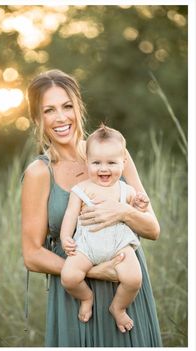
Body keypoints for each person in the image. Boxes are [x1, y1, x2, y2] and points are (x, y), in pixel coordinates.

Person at [21, 69, 162, 347]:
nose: (61, 118)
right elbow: (32, 255)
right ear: (37, 118)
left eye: (67, 106)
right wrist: (94, 271)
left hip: (127, 282)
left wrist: (123, 212)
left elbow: (153, 229)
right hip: (76, 292)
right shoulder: (39, 172)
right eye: (49, 110)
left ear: (79, 107)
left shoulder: (113, 152)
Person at [60, 125, 148, 333]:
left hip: (119, 246)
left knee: (134, 279)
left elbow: (135, 214)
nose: (103, 169)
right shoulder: (82, 189)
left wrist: (140, 206)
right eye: (96, 162)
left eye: (111, 163)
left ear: (123, 163)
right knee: (69, 276)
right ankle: (86, 297)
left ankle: (118, 307)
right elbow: (71, 215)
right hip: (87, 246)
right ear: (87, 162)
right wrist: (65, 237)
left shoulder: (126, 190)